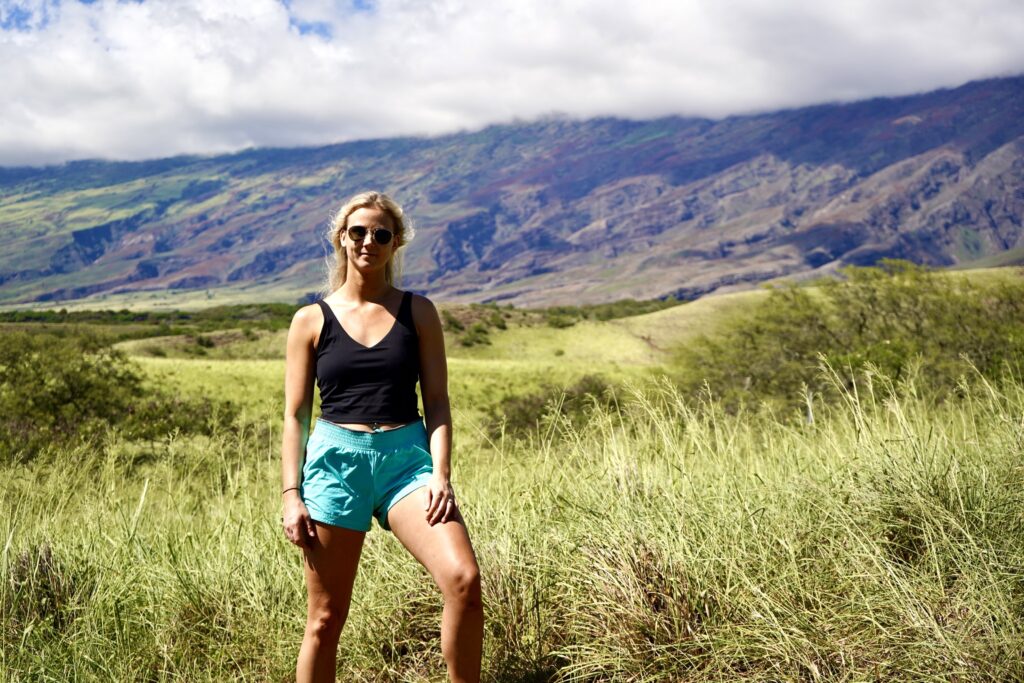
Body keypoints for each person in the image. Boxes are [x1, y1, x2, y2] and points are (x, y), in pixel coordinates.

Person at [280, 191, 483, 682]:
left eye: (381, 234)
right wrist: (291, 495)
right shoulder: (311, 320)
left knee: (464, 580)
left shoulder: (419, 312)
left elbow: (437, 403)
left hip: (406, 462)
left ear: (396, 244)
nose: (369, 241)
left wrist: (441, 474)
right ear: (341, 240)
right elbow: (295, 416)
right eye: (358, 232)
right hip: (335, 463)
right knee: (325, 621)